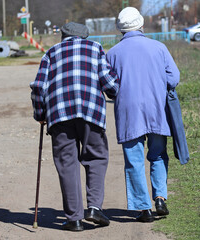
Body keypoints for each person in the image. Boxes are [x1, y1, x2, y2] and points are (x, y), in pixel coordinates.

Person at [30, 22, 119, 231]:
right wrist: (115, 92)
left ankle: (74, 219)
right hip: (91, 112)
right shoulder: (95, 48)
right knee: (96, 157)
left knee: (67, 163)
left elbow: (38, 87)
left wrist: (40, 114)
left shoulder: (50, 53)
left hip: (60, 114)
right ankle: (95, 208)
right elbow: (108, 82)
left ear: (63, 36)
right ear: (84, 37)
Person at [106, 7, 180, 222]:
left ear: (120, 29)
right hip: (157, 110)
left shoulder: (112, 54)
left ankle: (143, 208)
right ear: (141, 24)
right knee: (157, 155)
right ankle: (160, 197)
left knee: (134, 160)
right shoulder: (159, 47)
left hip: (129, 113)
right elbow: (173, 78)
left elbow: (108, 86)